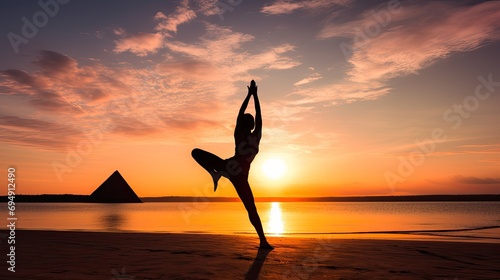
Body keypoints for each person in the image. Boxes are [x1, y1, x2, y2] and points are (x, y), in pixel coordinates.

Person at [191, 80, 273, 249]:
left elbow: (250, 114)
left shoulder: (243, 135)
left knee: (251, 209)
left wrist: (250, 95)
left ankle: (263, 241)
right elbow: (255, 114)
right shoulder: (254, 137)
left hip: (230, 170)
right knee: (251, 210)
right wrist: (254, 95)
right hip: (237, 174)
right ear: (250, 125)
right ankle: (263, 241)